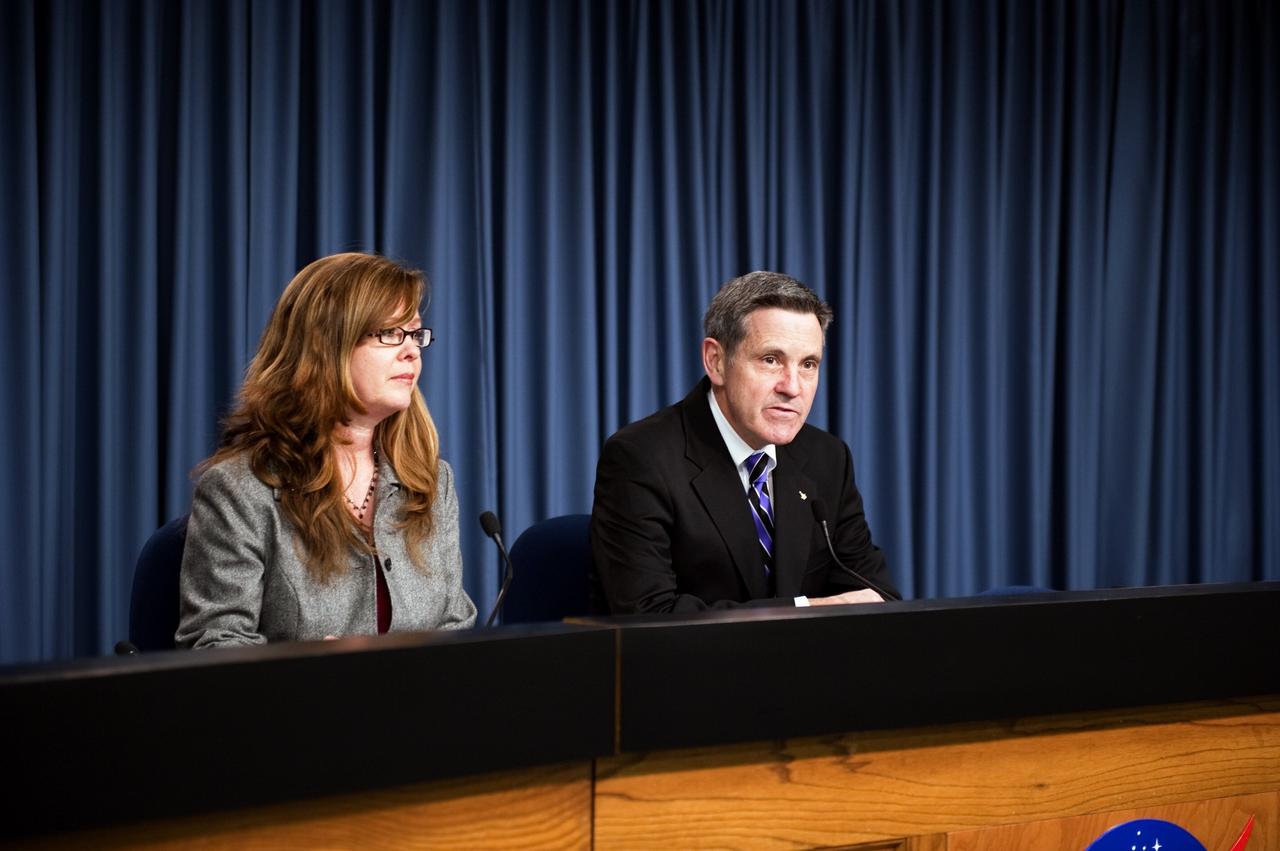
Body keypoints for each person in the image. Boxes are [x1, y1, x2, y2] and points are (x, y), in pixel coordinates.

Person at [176, 252, 476, 648]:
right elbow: (215, 642)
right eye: (389, 333)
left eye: (415, 333)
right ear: (324, 344)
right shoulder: (240, 489)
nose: (411, 351)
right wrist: (311, 675)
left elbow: (455, 624)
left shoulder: (432, 480)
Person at [590, 270, 897, 614]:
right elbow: (649, 613)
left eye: (808, 364)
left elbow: (873, 595)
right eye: (771, 360)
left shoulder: (827, 458)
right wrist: (804, 607)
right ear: (716, 362)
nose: (792, 387)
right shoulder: (642, 457)